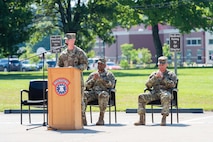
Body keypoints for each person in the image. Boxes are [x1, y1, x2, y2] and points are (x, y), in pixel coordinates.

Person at [134, 56, 177, 126]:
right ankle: (141, 119)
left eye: (163, 64)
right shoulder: (154, 74)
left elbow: (173, 85)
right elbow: (147, 85)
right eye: (160, 65)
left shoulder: (171, 74)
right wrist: (154, 78)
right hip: (154, 93)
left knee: (166, 96)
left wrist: (163, 78)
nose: (161, 66)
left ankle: (164, 118)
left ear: (166, 65)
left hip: (165, 92)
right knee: (141, 96)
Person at [56, 32, 88, 125]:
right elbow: (59, 65)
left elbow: (85, 65)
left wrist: (74, 69)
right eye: (66, 39)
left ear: (73, 40)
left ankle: (82, 119)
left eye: (68, 39)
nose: (66, 40)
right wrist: (59, 70)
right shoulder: (63, 54)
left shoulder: (80, 52)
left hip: (77, 81)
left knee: (79, 101)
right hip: (65, 82)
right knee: (67, 101)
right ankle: (67, 119)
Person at [84, 58, 116, 125]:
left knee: (103, 94)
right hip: (93, 93)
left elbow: (111, 85)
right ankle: (83, 119)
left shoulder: (109, 74)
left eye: (101, 64)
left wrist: (100, 79)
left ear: (105, 65)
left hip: (103, 93)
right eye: (98, 64)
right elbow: (87, 86)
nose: (99, 65)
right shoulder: (93, 74)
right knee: (83, 95)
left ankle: (101, 119)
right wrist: (93, 79)